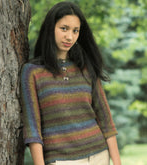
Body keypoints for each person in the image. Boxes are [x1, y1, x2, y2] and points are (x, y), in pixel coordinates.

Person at [20, 1, 121, 165]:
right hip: (60, 160)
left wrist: (116, 162)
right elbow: (32, 128)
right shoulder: (32, 71)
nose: (69, 37)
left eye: (75, 31)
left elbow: (105, 120)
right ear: (50, 28)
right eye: (64, 28)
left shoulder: (86, 67)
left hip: (99, 156)